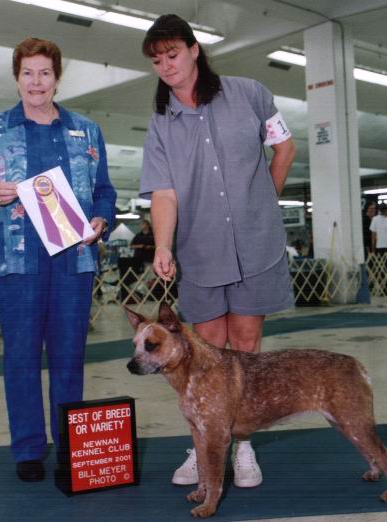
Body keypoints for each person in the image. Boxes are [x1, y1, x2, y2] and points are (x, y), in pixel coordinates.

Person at [139, 14, 296, 488]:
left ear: (194, 50)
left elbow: (284, 148)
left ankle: (243, 447)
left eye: (172, 54)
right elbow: (163, 192)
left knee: (246, 349)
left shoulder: (249, 93)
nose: (166, 66)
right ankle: (204, 446)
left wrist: (262, 201)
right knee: (205, 354)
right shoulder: (161, 123)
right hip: (200, 251)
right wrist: (163, 245)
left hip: (256, 246)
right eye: (157, 60)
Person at [0, 37, 116, 482]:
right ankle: (28, 449)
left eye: (44, 73)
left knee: (69, 356)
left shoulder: (86, 131)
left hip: (74, 261)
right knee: (22, 357)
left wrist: (102, 220)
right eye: (27, 73)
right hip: (18, 264)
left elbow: (104, 191)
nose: (36, 82)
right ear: (16, 78)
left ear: (57, 78)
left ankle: (70, 446)